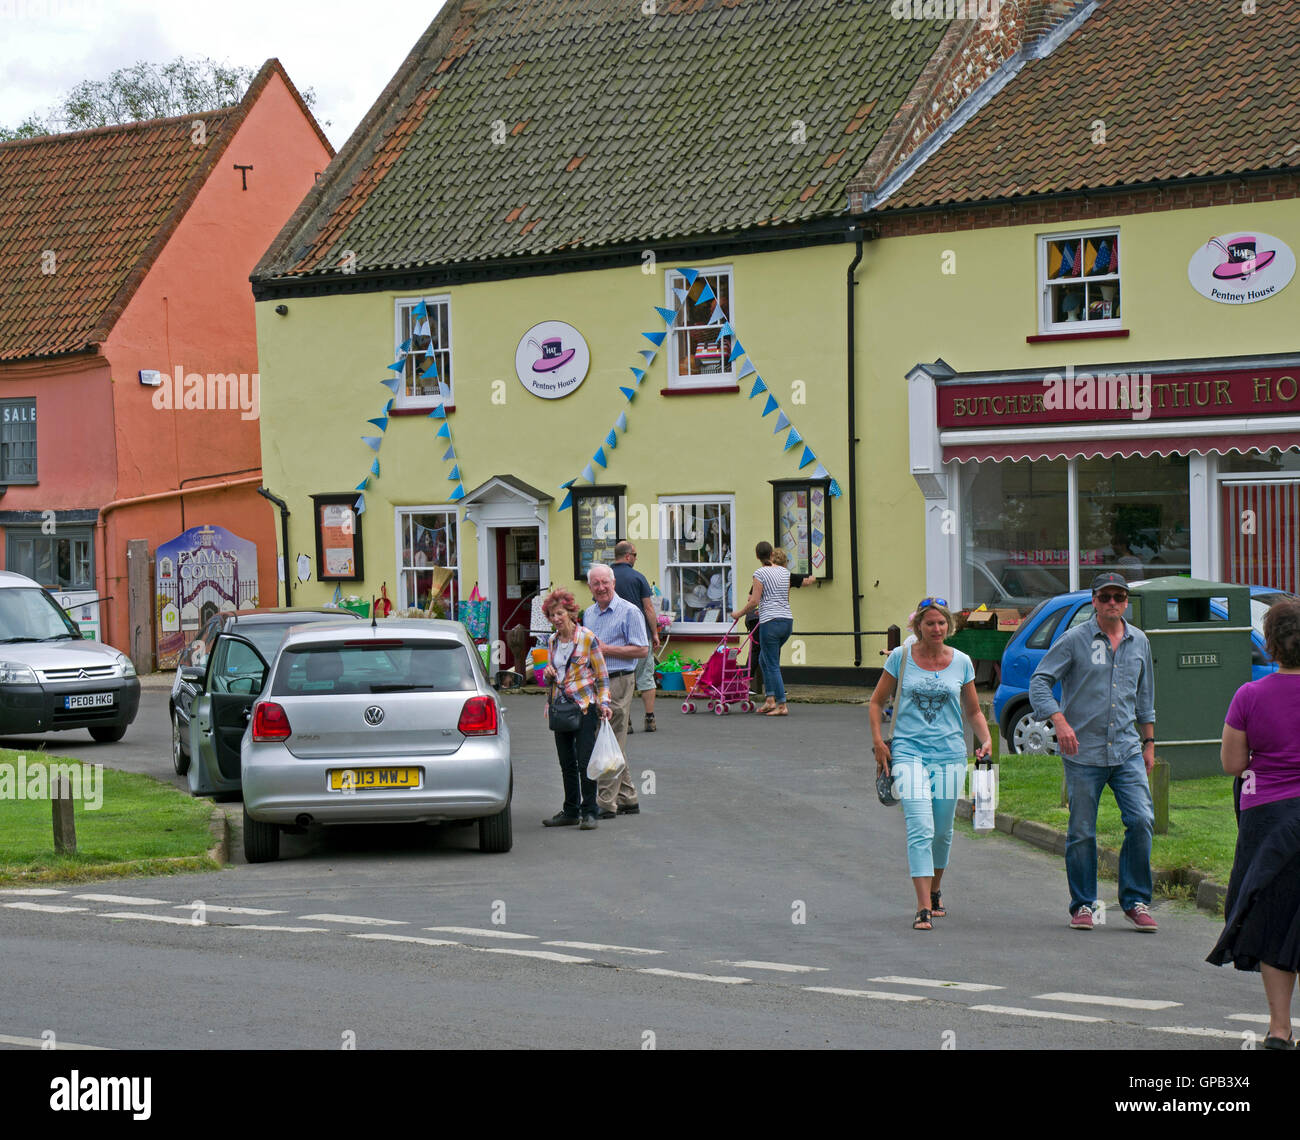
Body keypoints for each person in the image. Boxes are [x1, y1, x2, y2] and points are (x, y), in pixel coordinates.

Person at [1030, 571, 1157, 932]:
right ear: (1094, 601)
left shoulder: (1140, 641)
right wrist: (1058, 719)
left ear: (1127, 602)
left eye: (1119, 597)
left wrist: (1148, 743)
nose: (1112, 603)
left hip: (1128, 750)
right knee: (1083, 830)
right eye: (1105, 597)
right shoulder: (1074, 640)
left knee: (1141, 820)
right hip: (1083, 752)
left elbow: (1145, 695)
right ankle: (1084, 905)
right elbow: (1040, 681)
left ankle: (1135, 900)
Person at [1207, 599, 1300, 1049]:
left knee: (1276, 920)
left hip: (1269, 819)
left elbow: (1232, 763)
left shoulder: (1250, 695)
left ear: (1271, 645)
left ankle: (1280, 1031)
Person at [869, 598, 992, 930]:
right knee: (920, 827)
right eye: (929, 623)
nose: (936, 629)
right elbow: (877, 701)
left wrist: (985, 739)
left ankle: (935, 890)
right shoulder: (902, 658)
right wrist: (879, 741)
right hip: (909, 752)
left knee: (942, 832)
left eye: (941, 623)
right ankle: (923, 906)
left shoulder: (962, 662)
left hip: (950, 754)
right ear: (917, 626)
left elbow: (973, 711)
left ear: (948, 626)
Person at [540, 587, 611, 831]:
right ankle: (570, 810)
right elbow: (552, 675)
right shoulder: (551, 641)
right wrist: (547, 673)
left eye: (559, 613)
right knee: (566, 762)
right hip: (560, 709)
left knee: (585, 761)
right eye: (551, 615)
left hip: (584, 707)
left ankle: (589, 811)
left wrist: (604, 703)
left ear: (571, 612)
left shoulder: (587, 638)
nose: (556, 619)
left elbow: (602, 675)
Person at [583, 563, 649, 818]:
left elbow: (641, 649)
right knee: (613, 740)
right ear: (590, 587)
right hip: (596, 683)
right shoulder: (588, 614)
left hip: (620, 680)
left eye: (605, 583)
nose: (601, 588)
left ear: (613, 584)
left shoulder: (629, 611)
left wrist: (606, 649)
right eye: (596, 584)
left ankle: (606, 802)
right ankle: (628, 797)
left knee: (610, 739)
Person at [732, 541, 804, 716]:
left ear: (757, 556)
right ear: (772, 554)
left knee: (771, 664)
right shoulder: (784, 572)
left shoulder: (760, 573)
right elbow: (784, 597)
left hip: (770, 622)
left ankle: (781, 705)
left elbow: (755, 601)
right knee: (765, 659)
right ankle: (769, 699)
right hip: (787, 621)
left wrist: (739, 613)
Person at [611, 540, 660, 733]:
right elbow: (648, 608)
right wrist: (655, 633)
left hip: (615, 638)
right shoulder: (638, 577)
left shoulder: (606, 578)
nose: (636, 559)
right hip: (639, 636)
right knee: (646, 677)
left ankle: (626, 720)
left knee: (622, 678)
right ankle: (650, 719)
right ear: (628, 556)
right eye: (636, 555)